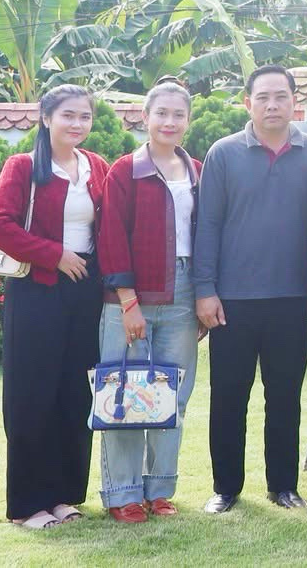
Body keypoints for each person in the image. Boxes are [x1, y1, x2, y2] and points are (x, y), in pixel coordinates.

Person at [193, 64, 307, 513]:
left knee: (284, 397)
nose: (272, 105)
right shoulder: (224, 153)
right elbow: (206, 224)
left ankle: (283, 485)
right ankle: (225, 488)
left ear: (293, 102)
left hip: (290, 298)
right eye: (263, 97)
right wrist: (204, 290)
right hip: (231, 300)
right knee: (229, 397)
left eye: (281, 96)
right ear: (248, 103)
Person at [0, 85, 109, 529]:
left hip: (84, 294)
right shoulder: (23, 167)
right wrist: (53, 254)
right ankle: (27, 504)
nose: (77, 124)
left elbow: (109, 225)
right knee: (31, 395)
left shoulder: (96, 167)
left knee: (75, 396)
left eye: (85, 117)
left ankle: (62, 495)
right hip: (37, 291)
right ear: (46, 118)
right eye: (68, 116)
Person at [95, 80, 203, 523]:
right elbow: (111, 236)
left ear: (188, 120)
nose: (170, 122)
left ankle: (160, 491)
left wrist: (203, 297)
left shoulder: (197, 169)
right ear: (145, 116)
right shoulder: (125, 170)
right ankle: (122, 495)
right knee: (125, 393)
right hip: (132, 296)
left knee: (171, 397)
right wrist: (128, 300)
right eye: (162, 113)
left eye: (179, 115)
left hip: (184, 291)